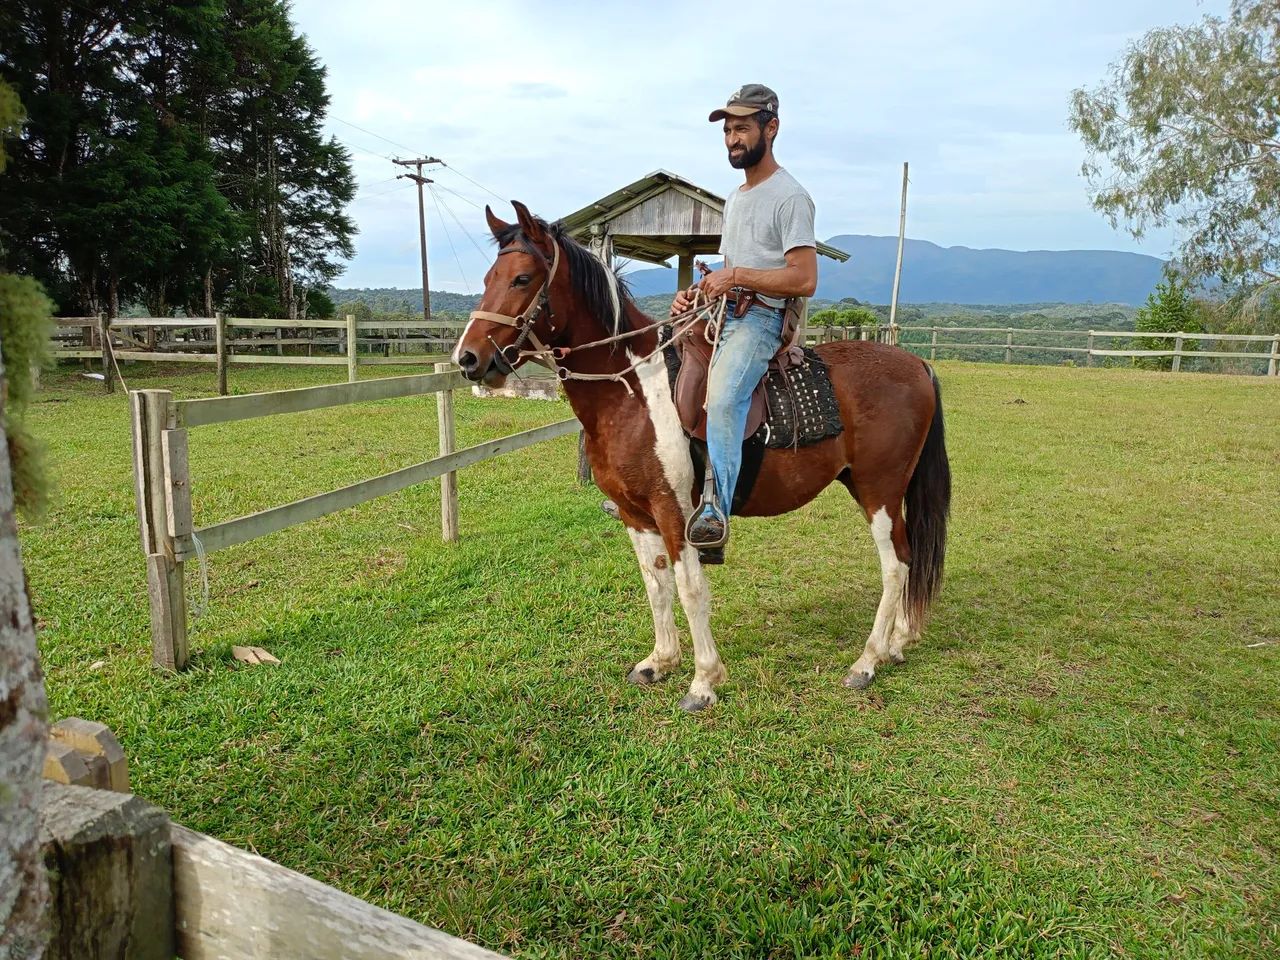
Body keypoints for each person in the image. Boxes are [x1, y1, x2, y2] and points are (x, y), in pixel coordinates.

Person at [677, 84, 818, 554]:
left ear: (770, 128)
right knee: (662, 364)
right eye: (728, 130)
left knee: (721, 396)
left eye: (742, 128)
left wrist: (736, 275)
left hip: (760, 320)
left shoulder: (790, 197)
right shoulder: (736, 198)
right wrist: (696, 293)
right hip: (722, 312)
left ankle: (716, 506)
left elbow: (803, 279)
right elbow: (727, 272)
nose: (732, 139)